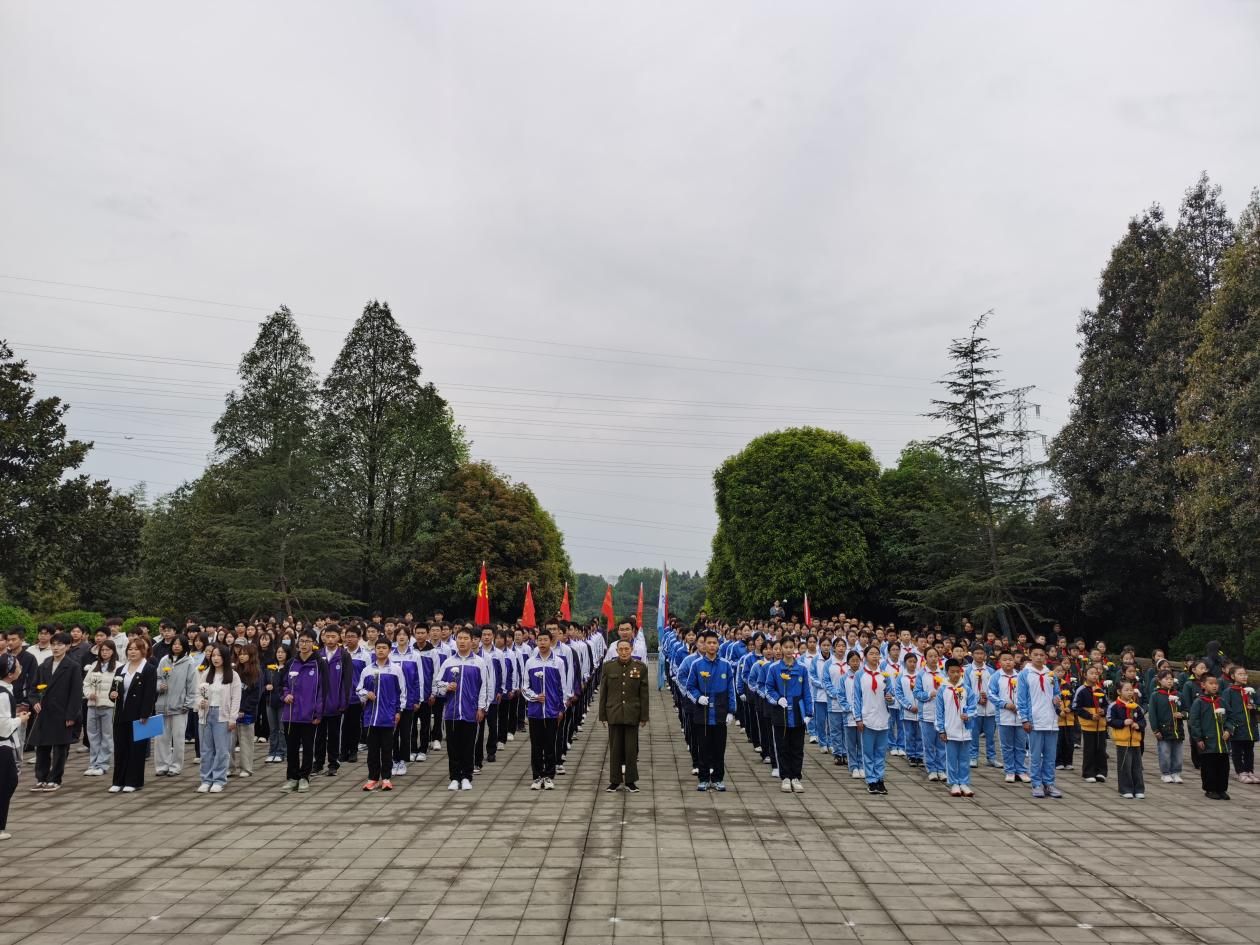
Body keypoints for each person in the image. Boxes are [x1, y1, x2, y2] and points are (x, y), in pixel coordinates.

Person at [433, 626, 491, 791]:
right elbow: (436, 685)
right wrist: (447, 686)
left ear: (472, 641)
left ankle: (466, 776)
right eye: (459, 638)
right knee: (453, 746)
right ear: (455, 640)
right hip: (451, 712)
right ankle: (454, 777)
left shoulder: (479, 662)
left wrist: (481, 708)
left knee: (468, 746)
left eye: (466, 638)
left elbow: (484, 687)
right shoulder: (449, 662)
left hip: (470, 712)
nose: (462, 641)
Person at [680, 629, 737, 792]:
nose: (712, 645)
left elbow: (731, 690)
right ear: (704, 645)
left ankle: (718, 778)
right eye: (709, 643)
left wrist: (731, 711)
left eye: (714, 643)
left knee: (719, 748)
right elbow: (689, 687)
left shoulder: (725, 665)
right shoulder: (696, 664)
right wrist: (698, 697)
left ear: (718, 645)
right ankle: (704, 778)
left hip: (720, 712)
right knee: (703, 747)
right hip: (702, 713)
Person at [28, 631, 82, 792]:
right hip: (44, 713)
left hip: (62, 713)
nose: (56, 648)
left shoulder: (73, 666)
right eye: (53, 644)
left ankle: (55, 779)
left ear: (68, 646)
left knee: (60, 748)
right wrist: (35, 702)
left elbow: (76, 693)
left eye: (60, 644)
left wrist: (71, 715)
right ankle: (41, 778)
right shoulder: (44, 665)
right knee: (42, 747)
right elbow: (33, 689)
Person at [598, 637, 650, 793]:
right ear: (616, 651)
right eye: (621, 649)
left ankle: (631, 781)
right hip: (613, 712)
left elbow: (644, 694)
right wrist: (602, 715)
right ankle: (614, 781)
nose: (624, 652)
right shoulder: (608, 667)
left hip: (632, 713)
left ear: (631, 650)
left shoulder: (640, 667)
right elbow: (604, 692)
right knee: (615, 749)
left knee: (631, 749)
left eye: (627, 649)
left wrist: (644, 716)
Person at [523, 625, 570, 790]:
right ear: (536, 642)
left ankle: (549, 776)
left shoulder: (558, 662)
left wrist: (561, 708)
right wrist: (535, 697)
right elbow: (524, 687)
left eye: (545, 640)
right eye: (540, 640)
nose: (542, 643)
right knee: (536, 746)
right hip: (535, 712)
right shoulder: (530, 662)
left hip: (552, 711)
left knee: (550, 745)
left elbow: (563, 687)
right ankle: (537, 776)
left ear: (551, 641)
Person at [108, 638, 158, 794]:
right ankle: (118, 781)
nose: (132, 652)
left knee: (136, 749)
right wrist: (113, 695)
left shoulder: (148, 669)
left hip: (138, 715)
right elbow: (113, 691)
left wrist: (145, 714)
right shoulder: (120, 670)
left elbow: (150, 694)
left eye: (136, 649)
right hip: (120, 715)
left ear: (143, 651)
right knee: (120, 748)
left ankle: (133, 781)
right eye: (130, 649)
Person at [281, 632, 327, 793]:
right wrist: (286, 695)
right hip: (291, 714)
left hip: (309, 714)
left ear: (313, 643)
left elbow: (323, 689)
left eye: (308, 641)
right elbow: (283, 684)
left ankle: (304, 777)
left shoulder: (319, 663)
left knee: (308, 747)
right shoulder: (291, 663)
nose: (304, 644)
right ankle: (292, 777)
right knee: (291, 748)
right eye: (301, 641)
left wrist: (318, 713)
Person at [357, 638, 405, 791]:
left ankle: (386, 778)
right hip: (370, 717)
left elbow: (402, 692)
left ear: (389, 650)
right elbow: (359, 690)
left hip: (388, 716)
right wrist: (366, 694)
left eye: (384, 648)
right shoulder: (367, 670)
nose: (381, 650)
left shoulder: (396, 670)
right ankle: (372, 778)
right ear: (374, 650)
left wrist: (398, 711)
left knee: (386, 749)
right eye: (378, 648)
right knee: (372, 751)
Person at [764, 636, 811, 794]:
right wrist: (778, 699)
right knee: (782, 746)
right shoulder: (774, 668)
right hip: (781, 712)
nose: (789, 650)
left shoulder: (802, 668)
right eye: (786, 647)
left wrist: (809, 712)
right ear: (781, 648)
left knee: (797, 747)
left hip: (798, 712)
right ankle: (785, 777)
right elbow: (768, 689)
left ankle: (796, 777)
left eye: (792, 647)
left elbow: (807, 692)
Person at [1016, 646, 1062, 799]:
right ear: (1030, 656)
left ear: (1046, 657)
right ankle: (1036, 784)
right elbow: (1021, 699)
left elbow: (1056, 693)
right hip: (1034, 720)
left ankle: (1049, 783)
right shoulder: (1025, 674)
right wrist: (1024, 719)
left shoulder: (1051, 674)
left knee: (1050, 756)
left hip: (1050, 720)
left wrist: (1057, 700)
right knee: (1035, 755)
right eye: (1035, 654)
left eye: (1041, 655)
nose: (1039, 657)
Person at [195, 643, 240, 794]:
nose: (215, 658)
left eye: (219, 655)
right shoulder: (206, 673)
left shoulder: (233, 675)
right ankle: (206, 780)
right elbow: (198, 693)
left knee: (222, 750)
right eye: (213, 655)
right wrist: (200, 702)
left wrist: (233, 718)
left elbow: (236, 698)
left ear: (225, 657)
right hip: (206, 715)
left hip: (223, 715)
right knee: (206, 750)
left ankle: (219, 779)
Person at [155, 635, 197, 777]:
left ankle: (175, 766)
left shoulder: (189, 662)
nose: (176, 646)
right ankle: (162, 765)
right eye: (174, 644)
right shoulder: (164, 660)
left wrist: (188, 703)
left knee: (178, 738)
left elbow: (192, 684)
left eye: (179, 644)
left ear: (184, 646)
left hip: (180, 706)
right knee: (161, 738)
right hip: (162, 705)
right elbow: (157, 678)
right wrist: (159, 686)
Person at [852, 644, 892, 795]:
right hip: (867, 717)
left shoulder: (885, 675)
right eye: (872, 653)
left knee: (881, 751)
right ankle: (871, 780)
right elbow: (856, 698)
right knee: (868, 751)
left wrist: (890, 699)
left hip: (883, 717)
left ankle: (880, 779)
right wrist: (858, 718)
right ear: (865, 657)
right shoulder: (859, 675)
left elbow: (891, 695)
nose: (875, 656)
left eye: (877, 653)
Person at [935, 658, 977, 797]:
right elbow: (939, 712)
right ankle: (953, 783)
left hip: (965, 730)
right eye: (952, 672)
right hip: (950, 730)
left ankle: (964, 782)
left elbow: (973, 707)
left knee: (964, 758)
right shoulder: (942, 690)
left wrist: (968, 715)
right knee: (951, 758)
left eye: (958, 672)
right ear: (947, 672)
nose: (955, 675)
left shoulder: (966, 689)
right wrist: (941, 729)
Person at [0, 654, 30, 840]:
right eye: (17, 666)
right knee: (7, 783)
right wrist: (20, 719)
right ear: (10, 673)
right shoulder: (3, 694)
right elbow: (3, 727)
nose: (20, 668)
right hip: (2, 745)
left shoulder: (5, 690)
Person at [1188, 674, 1231, 800]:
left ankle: (1222, 789)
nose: (1214, 686)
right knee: (1209, 767)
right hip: (1208, 741)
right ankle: (1210, 789)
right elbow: (1194, 722)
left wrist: (1228, 730)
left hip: (1222, 742)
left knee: (1223, 767)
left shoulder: (1221, 701)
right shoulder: (1199, 702)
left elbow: (1230, 717)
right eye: (1211, 683)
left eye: (1216, 683)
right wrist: (1198, 738)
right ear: (1203, 685)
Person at [989, 650, 1028, 784]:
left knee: (1021, 745)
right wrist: (1005, 705)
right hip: (1004, 717)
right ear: (999, 662)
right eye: (1005, 660)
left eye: (1010, 659)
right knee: (1007, 746)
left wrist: (1021, 707)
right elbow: (991, 694)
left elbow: (1027, 694)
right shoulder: (996, 676)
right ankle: (1010, 770)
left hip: (1020, 717)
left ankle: (1021, 770)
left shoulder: (1020, 676)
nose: (1008, 662)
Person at [82, 639, 120, 777]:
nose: (104, 652)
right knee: (92, 735)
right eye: (102, 650)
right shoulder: (94, 666)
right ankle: (93, 763)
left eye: (107, 650)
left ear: (113, 651)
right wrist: (88, 694)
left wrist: (115, 694)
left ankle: (103, 764)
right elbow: (86, 683)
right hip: (93, 705)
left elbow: (120, 686)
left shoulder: (119, 667)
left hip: (108, 706)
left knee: (107, 736)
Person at [1107, 680, 1146, 799]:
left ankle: (1139, 789)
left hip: (1136, 741)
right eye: (1127, 690)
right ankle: (1126, 789)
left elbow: (1143, 721)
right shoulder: (1114, 706)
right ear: (1119, 691)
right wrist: (1123, 722)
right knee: (1125, 766)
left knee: (1137, 766)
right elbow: (1110, 720)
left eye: (1131, 690)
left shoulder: (1136, 707)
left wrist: (1138, 725)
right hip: (1122, 740)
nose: (1130, 692)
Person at [1148, 668, 1185, 784]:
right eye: (1166, 679)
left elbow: (1186, 710)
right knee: (1165, 752)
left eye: (1171, 679)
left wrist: (1182, 714)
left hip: (1177, 729)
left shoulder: (1179, 694)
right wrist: (1155, 729)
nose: (1169, 681)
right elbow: (1152, 714)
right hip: (1163, 730)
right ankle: (1165, 773)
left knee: (1178, 753)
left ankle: (1176, 772)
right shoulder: (1156, 695)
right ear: (1159, 680)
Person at [1073, 665, 1109, 783]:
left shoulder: (1100, 690)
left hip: (1101, 725)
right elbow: (1076, 707)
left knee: (1101, 749)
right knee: (1089, 750)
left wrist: (1103, 711)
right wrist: (1090, 716)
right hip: (1088, 725)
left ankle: (1101, 772)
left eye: (1096, 674)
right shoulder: (1081, 690)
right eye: (1091, 673)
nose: (1094, 675)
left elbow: (1107, 705)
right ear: (1085, 675)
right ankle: (1088, 772)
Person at [233, 643, 264, 779]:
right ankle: (229, 767)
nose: (241, 656)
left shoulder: (257, 673)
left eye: (245, 654)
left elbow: (255, 696)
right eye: (240, 654)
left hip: (247, 713)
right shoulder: (235, 671)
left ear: (251, 656)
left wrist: (243, 709)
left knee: (245, 741)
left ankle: (246, 768)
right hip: (231, 711)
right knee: (229, 741)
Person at [1222, 666, 1256, 784]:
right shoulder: (1228, 692)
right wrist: (1229, 726)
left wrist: (1254, 707)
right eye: (1240, 674)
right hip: (1236, 726)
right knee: (1237, 751)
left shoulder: (1251, 691)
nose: (1244, 676)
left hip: (1250, 727)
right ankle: (1240, 772)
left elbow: (1258, 704)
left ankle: (1249, 771)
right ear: (1233, 676)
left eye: (1245, 674)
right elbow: (1225, 709)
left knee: (1249, 751)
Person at [968, 645, 997, 768]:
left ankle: (991, 758)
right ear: (972, 655)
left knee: (990, 736)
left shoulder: (991, 671)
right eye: (977, 653)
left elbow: (995, 689)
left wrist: (988, 697)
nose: (979, 656)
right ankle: (973, 757)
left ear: (985, 655)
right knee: (974, 735)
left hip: (989, 708)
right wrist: (977, 699)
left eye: (981, 653)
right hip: (975, 709)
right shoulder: (968, 671)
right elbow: (966, 689)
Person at [263, 644, 288, 765]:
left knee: (282, 729)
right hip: (270, 702)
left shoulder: (288, 668)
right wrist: (266, 687)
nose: (280, 654)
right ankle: (272, 752)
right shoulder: (270, 668)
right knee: (273, 729)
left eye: (282, 652)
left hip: (283, 702)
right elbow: (263, 684)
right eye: (278, 652)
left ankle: (281, 752)